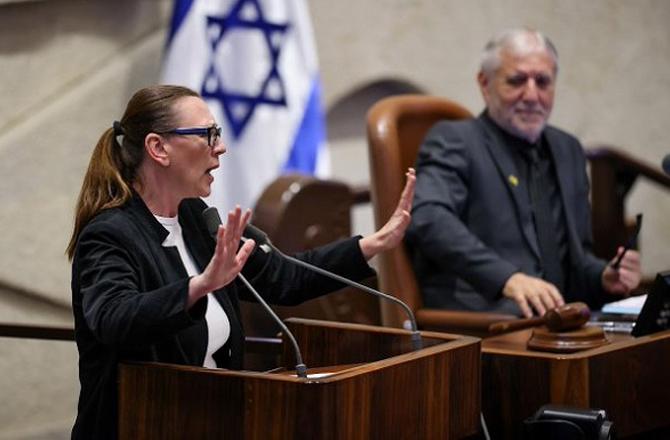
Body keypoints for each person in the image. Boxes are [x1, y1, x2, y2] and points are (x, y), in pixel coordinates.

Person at [66, 84, 416, 440]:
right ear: (158, 148)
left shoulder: (197, 219)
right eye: (207, 134)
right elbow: (113, 318)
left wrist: (373, 244)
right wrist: (198, 287)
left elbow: (283, 277)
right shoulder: (109, 233)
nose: (220, 146)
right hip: (134, 426)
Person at [405, 28, 640, 319]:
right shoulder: (455, 140)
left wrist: (603, 276)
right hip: (486, 324)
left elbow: (574, 263)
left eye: (543, 82)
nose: (531, 95)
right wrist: (506, 278)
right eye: (517, 81)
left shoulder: (568, 149)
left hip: (563, 323)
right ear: (484, 83)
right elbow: (428, 218)